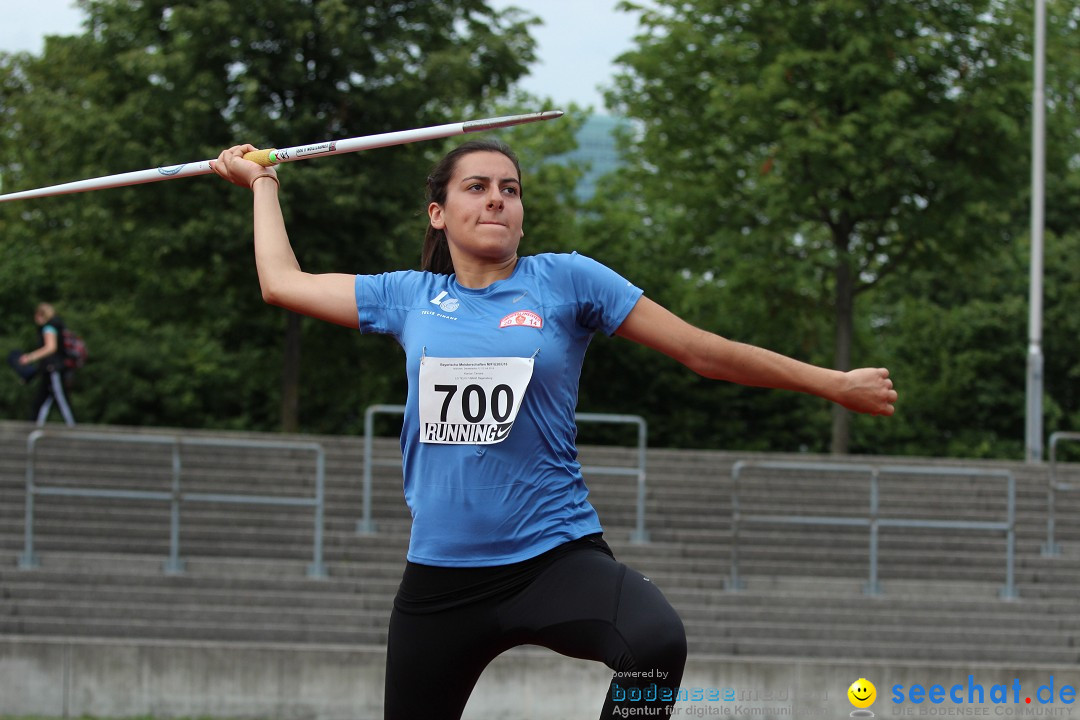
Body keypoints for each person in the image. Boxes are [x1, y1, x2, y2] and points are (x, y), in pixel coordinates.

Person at [212, 138, 897, 719]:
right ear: (439, 212)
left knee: (655, 643)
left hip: (553, 557)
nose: (496, 200)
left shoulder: (566, 282)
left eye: (509, 189)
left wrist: (832, 383)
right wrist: (263, 181)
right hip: (443, 578)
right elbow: (281, 282)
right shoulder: (407, 297)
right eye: (476, 188)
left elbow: (700, 350)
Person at [19, 302, 76, 427]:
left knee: (61, 399)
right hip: (49, 368)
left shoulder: (49, 327)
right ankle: (34, 426)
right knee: (43, 399)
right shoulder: (58, 325)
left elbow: (51, 348)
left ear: (40, 315)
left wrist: (30, 357)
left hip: (54, 368)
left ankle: (73, 427)